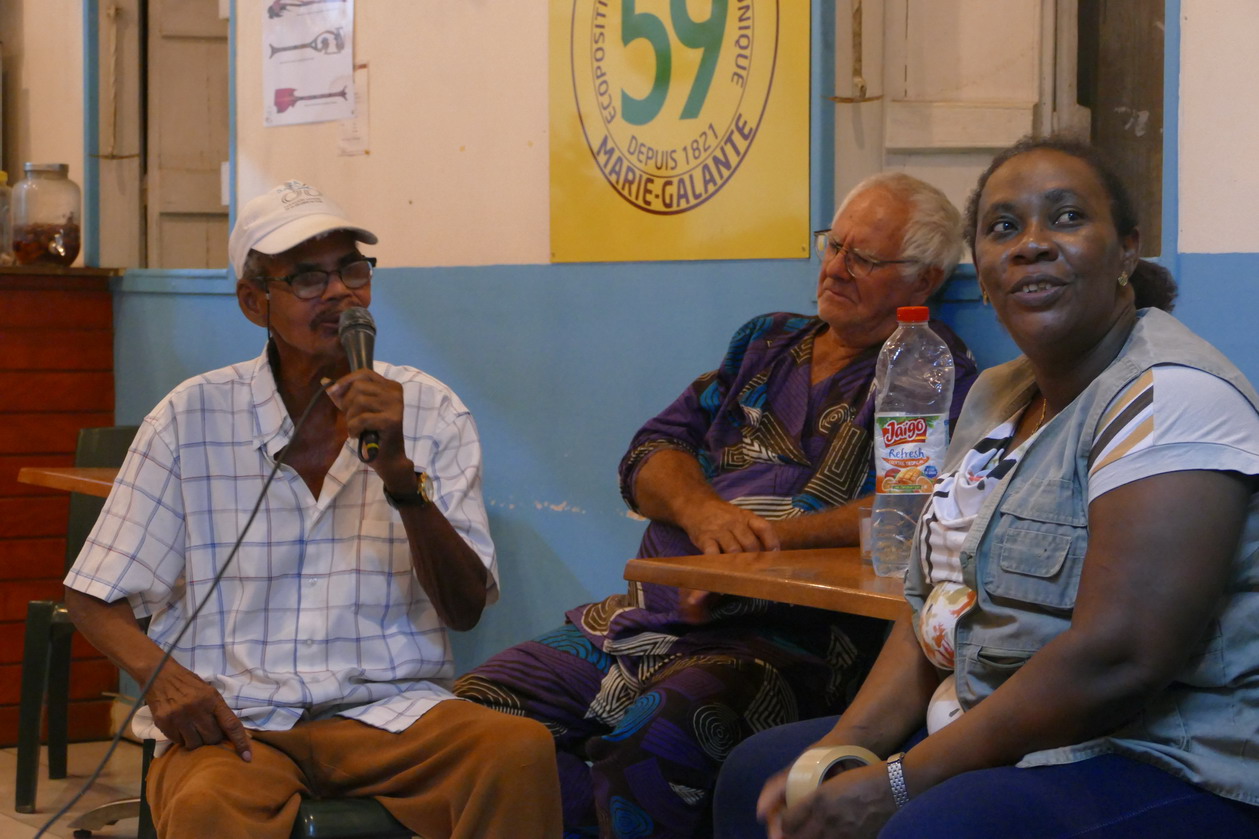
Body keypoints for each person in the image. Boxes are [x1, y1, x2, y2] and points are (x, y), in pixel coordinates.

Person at [714, 136, 1259, 839]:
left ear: (1126, 252)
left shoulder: (1172, 396)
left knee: (933, 827)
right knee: (764, 771)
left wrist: (898, 782)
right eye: (1003, 227)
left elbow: (1119, 654)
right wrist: (840, 751)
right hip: (994, 725)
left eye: (1065, 218)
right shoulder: (996, 397)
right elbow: (929, 610)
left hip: (1161, 755)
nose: (1030, 243)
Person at [453, 173, 979, 839]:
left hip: (784, 640)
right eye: (833, 245)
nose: (836, 268)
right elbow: (650, 453)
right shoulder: (766, 342)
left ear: (923, 280)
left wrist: (760, 545)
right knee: (470, 717)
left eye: (864, 259)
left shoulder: (931, 375)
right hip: (641, 617)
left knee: (650, 743)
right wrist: (705, 515)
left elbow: (906, 506)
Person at [63, 180, 562, 839]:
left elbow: (463, 609)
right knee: (210, 803)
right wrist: (165, 681)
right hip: (240, 724)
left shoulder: (432, 410)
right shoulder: (191, 416)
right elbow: (92, 594)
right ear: (253, 301)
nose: (339, 293)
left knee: (517, 750)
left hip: (394, 716)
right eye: (306, 277)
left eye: (352, 269)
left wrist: (400, 477)